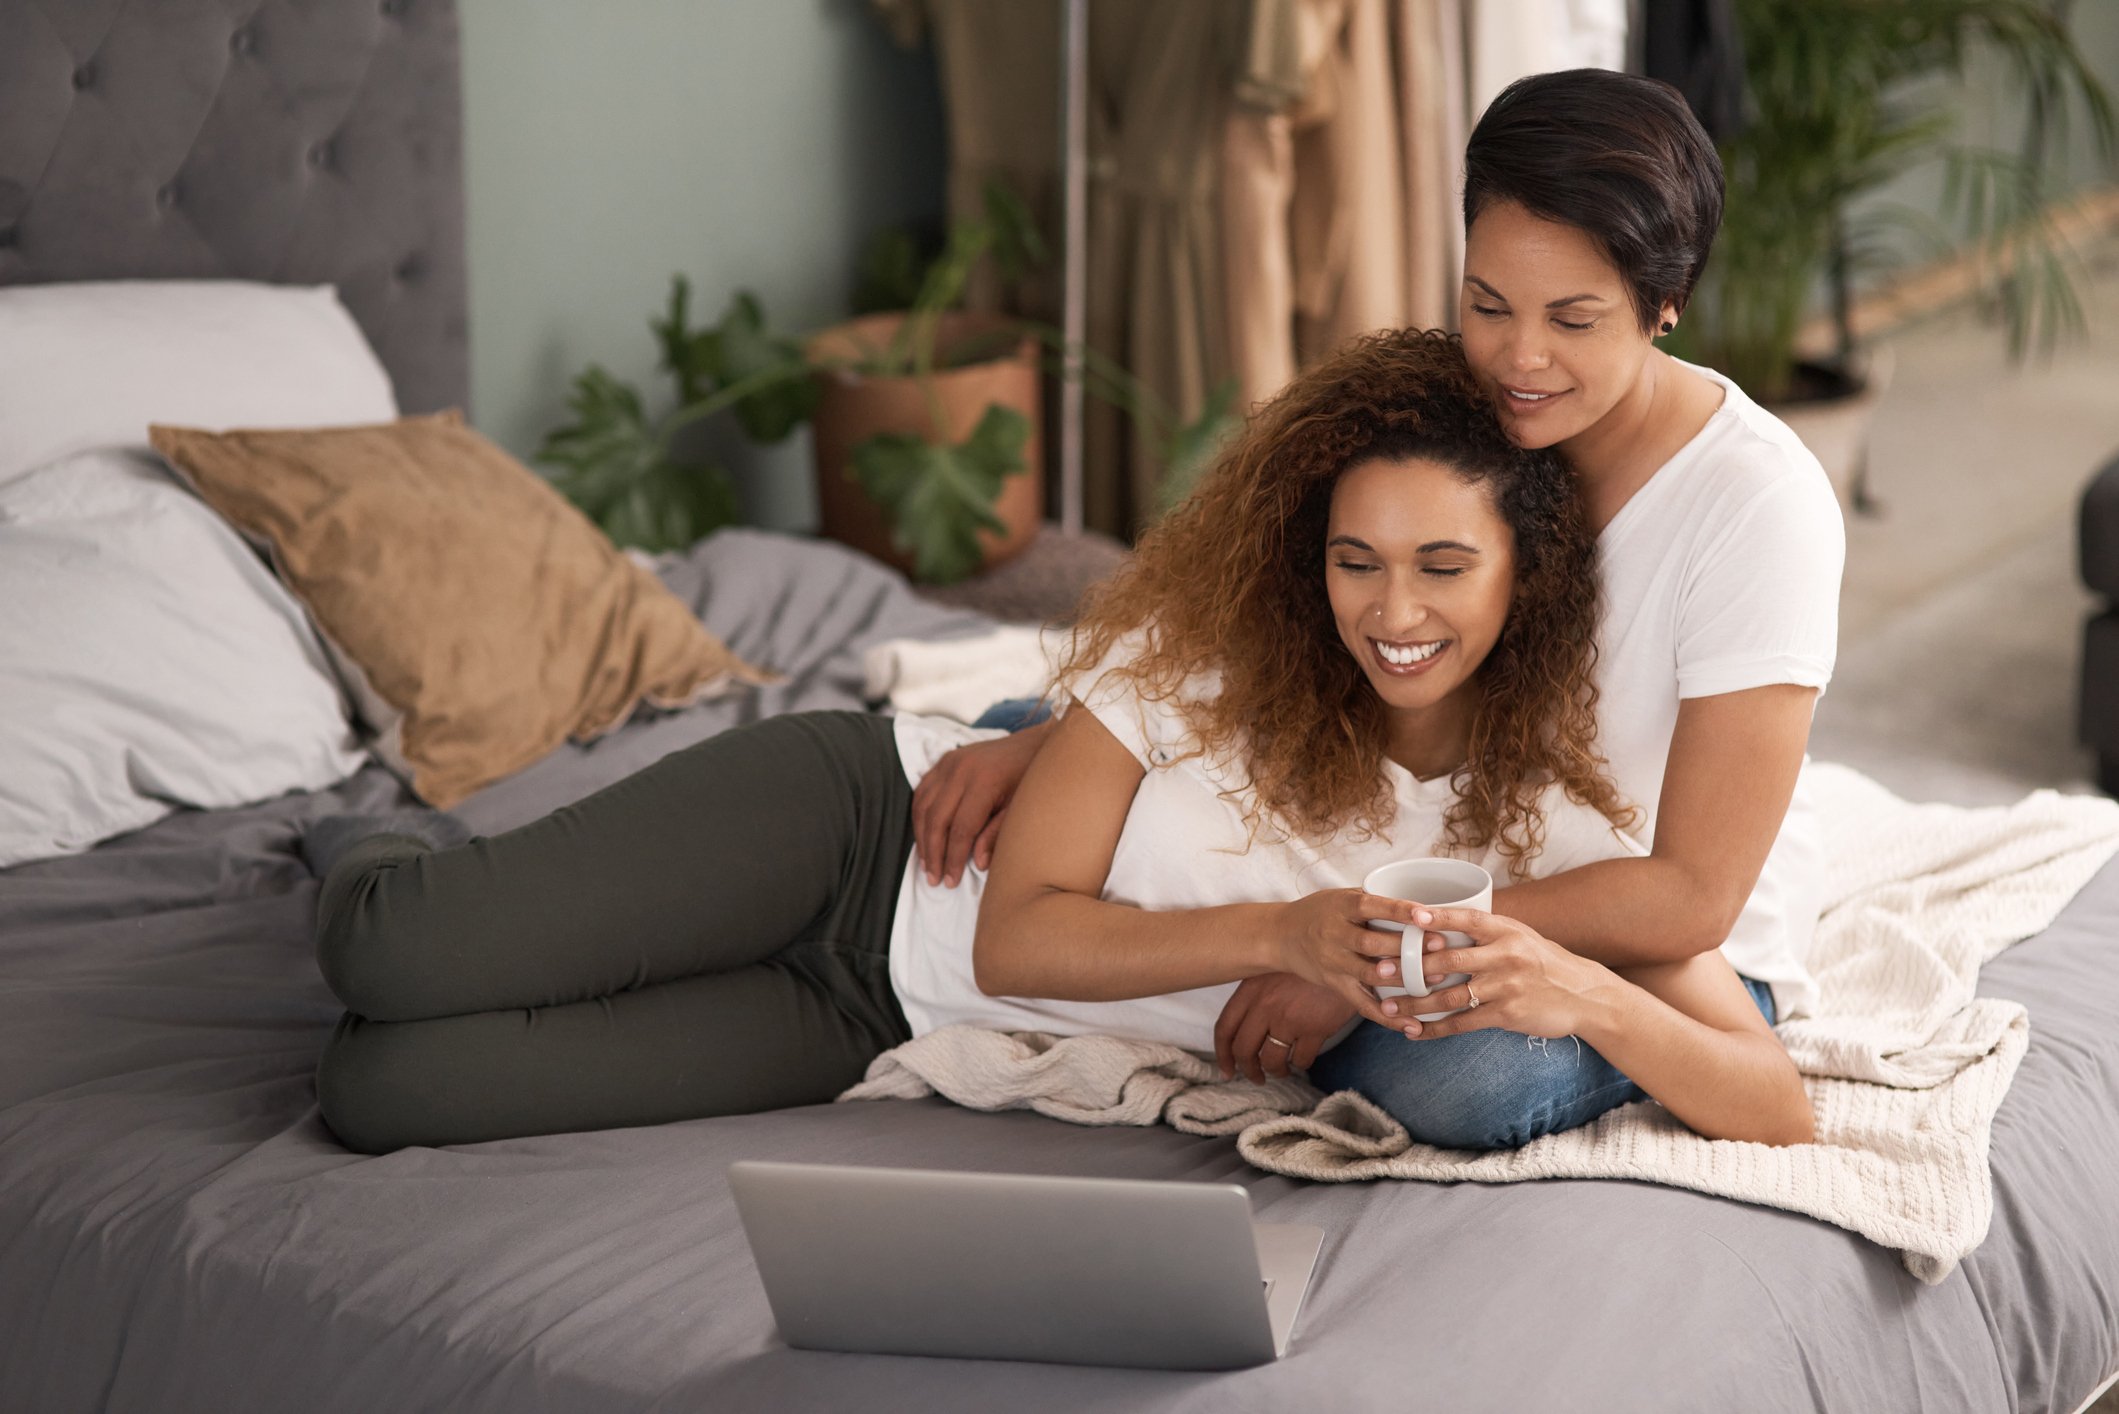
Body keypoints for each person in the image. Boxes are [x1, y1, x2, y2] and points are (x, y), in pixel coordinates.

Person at [309, 330, 1813, 1155]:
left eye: (1441, 565)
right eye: (1354, 558)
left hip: (883, 1020)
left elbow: (1774, 1094)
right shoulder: (1216, 660)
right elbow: (1023, 933)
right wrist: (1283, 937)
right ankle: (354, 841)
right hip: (854, 836)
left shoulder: (1548, 821)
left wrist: (1588, 1001)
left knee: (379, 1101)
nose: (1390, 607)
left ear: (1522, 576)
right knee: (393, 954)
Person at [912, 69, 1845, 1118]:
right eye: (1486, 303)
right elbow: (1303, 612)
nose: (1520, 356)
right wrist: (1068, 737)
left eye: (1573, 320)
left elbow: (1689, 895)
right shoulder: (1487, 401)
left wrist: (1360, 956)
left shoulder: (1756, 507)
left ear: (1666, 303)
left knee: (1470, 1079)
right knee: (1045, 760)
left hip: (1663, 935)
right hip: (1455, 851)